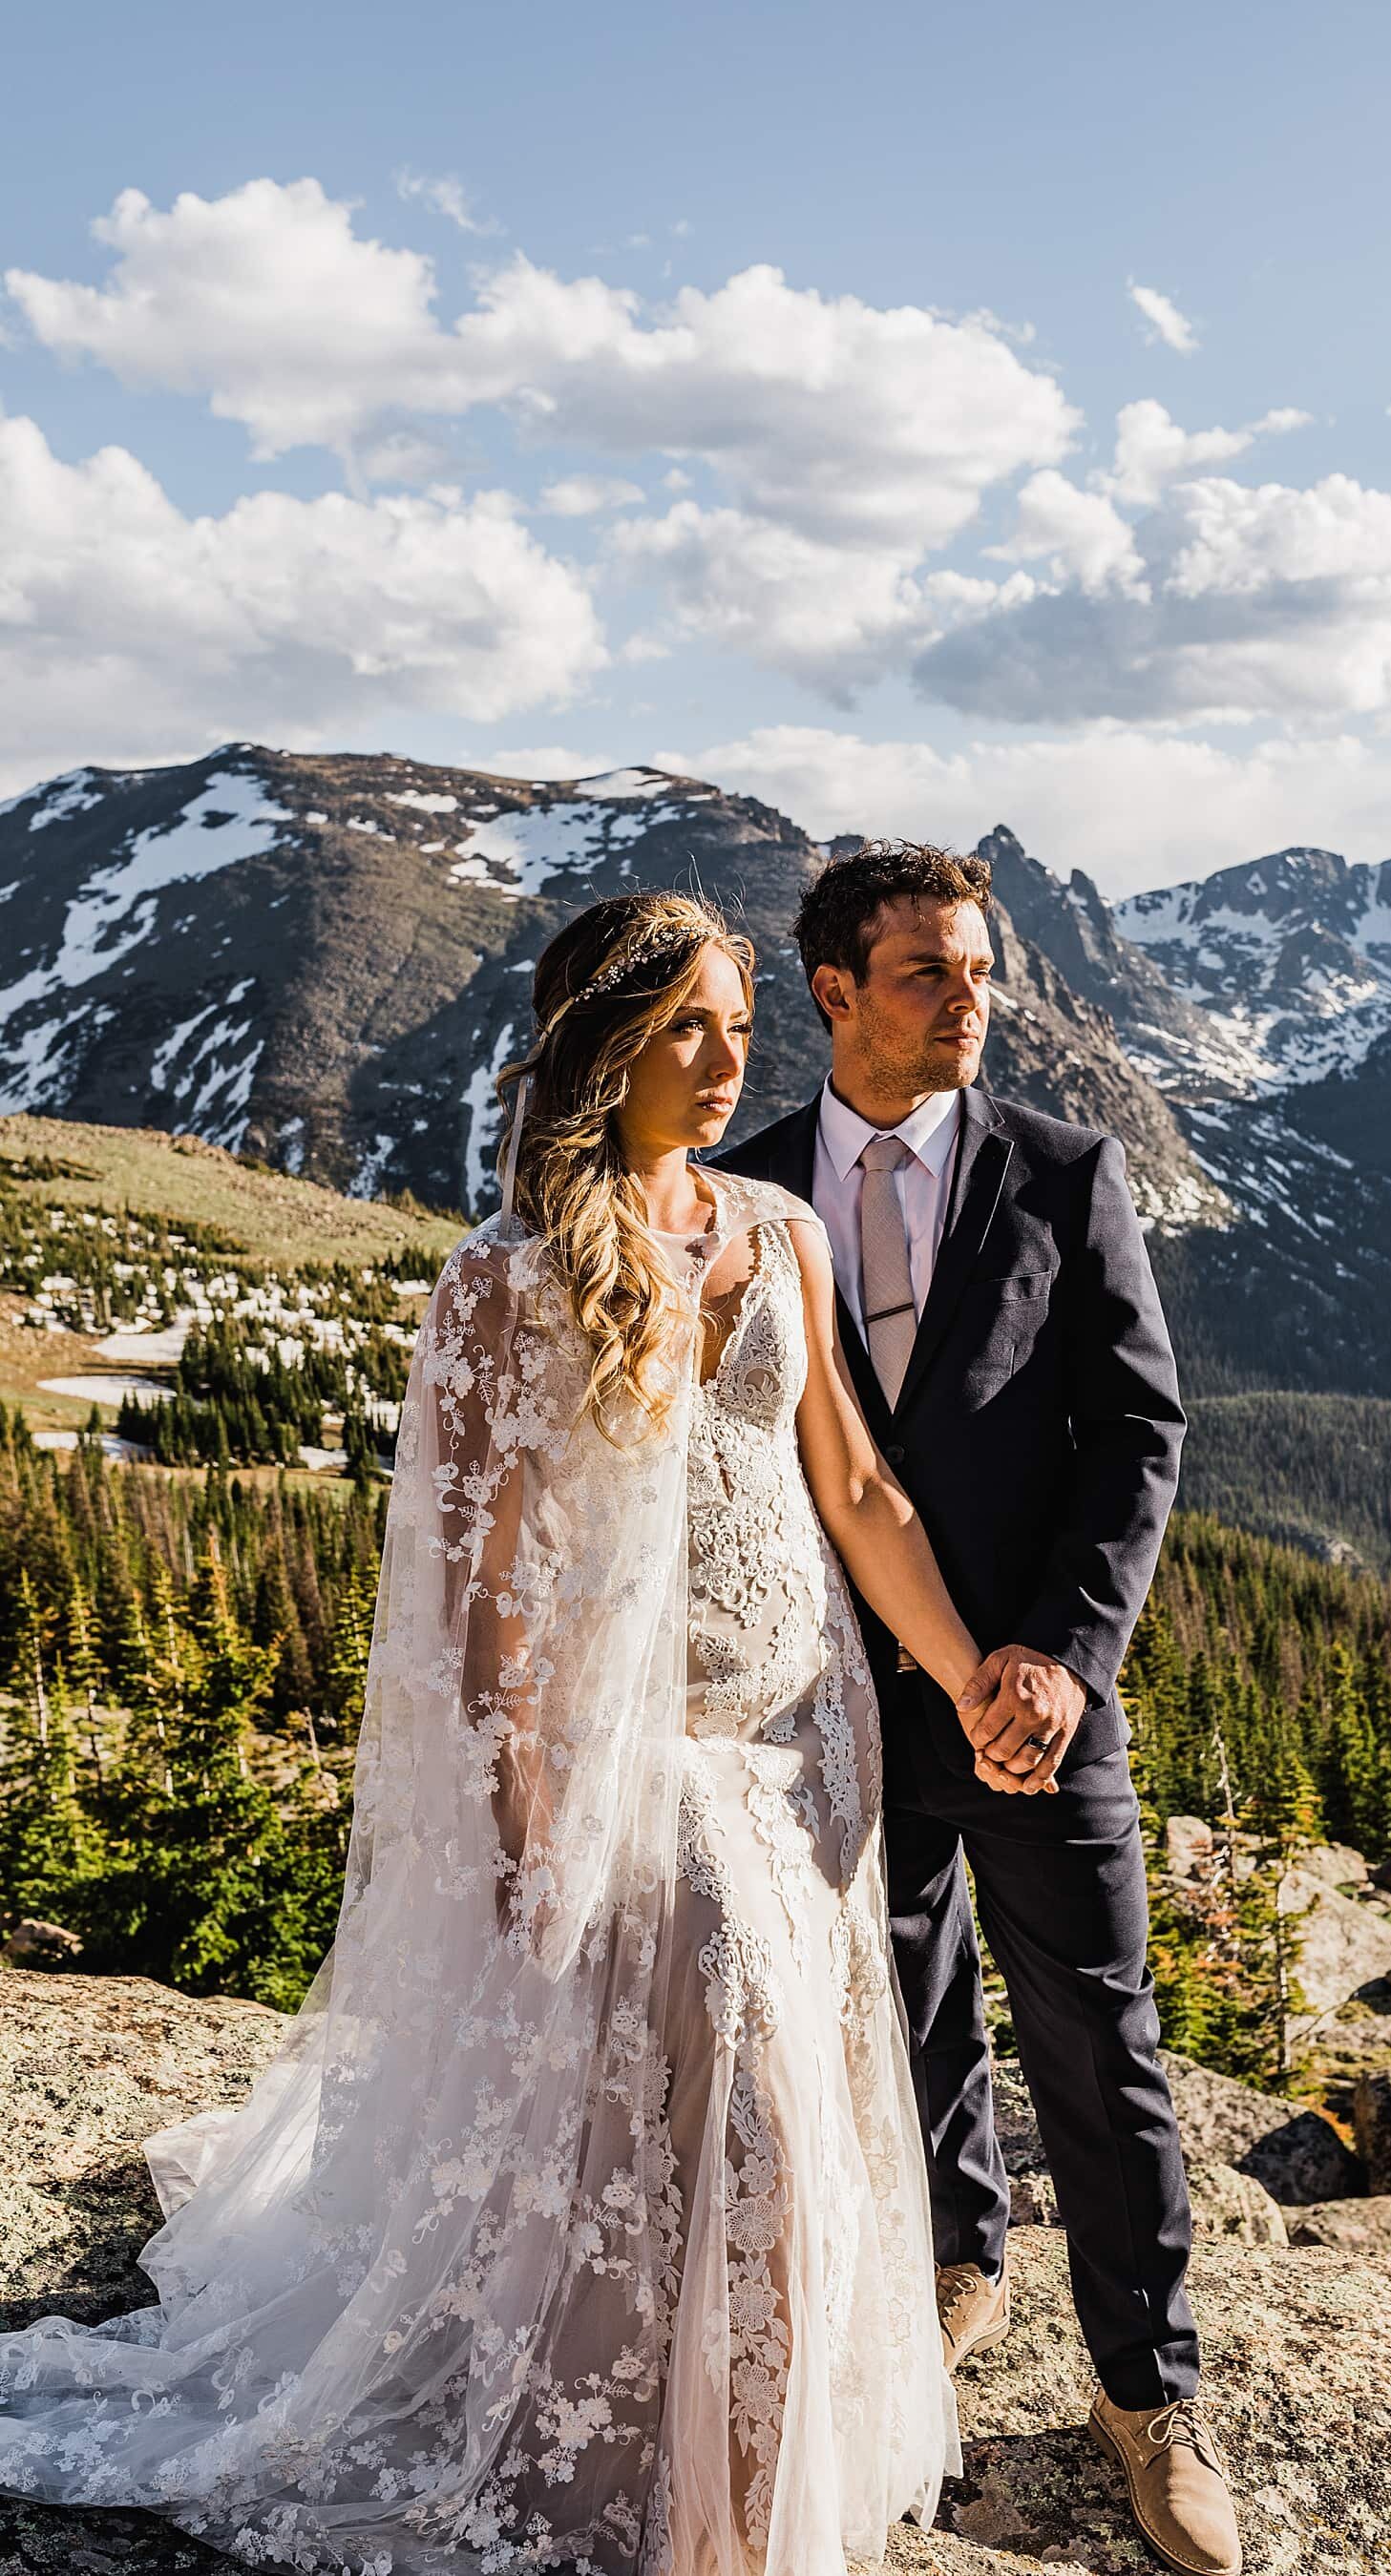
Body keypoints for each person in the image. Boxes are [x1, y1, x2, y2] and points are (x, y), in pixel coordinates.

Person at [0, 890, 977, 2576]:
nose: (727, 1056)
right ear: (601, 1046)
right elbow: (484, 1597)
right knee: (737, 2052)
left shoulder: (780, 1230)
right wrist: (534, 1825)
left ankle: (760, 2422)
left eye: (742, 1022)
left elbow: (860, 1490)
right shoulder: (500, 1284)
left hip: (805, 1729)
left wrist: (963, 1678)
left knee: (784, 2084)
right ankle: (723, 2510)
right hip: (638, 1753)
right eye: (686, 1024)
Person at [716, 842, 1244, 2576]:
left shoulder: (1065, 1170)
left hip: (1031, 1695)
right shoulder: (745, 1187)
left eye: (980, 968)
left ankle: (1148, 2389)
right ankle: (961, 2262)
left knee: (1097, 2033)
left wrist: (1064, 1657)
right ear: (835, 993)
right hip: (828, 1703)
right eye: (932, 970)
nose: (972, 999)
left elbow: (1137, 1432)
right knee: (899, 1998)